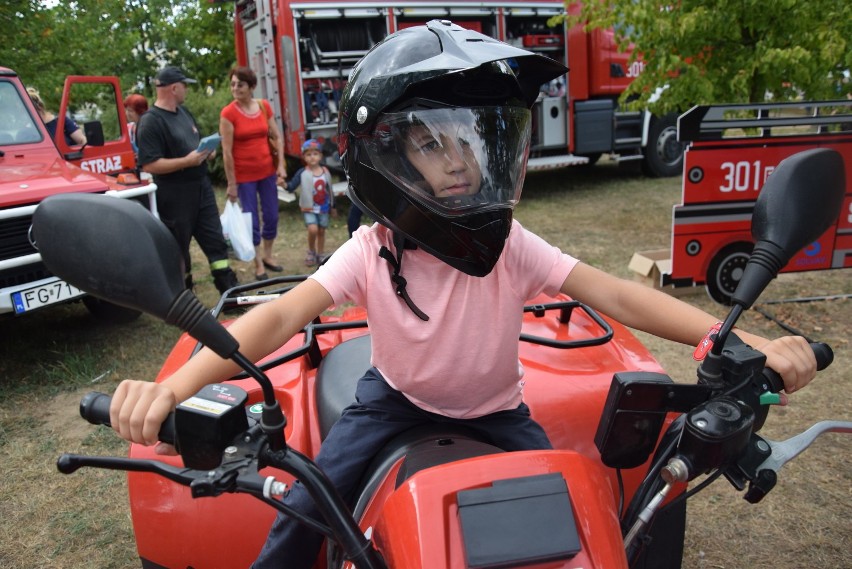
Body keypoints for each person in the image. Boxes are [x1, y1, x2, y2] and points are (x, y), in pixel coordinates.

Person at [108, 22, 819, 569]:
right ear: (385, 156)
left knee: (579, 521)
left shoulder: (508, 242)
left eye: (472, 141)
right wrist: (180, 385)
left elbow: (614, 294)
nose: (458, 160)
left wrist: (733, 339)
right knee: (303, 511)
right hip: (389, 405)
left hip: (498, 413)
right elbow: (281, 316)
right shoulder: (372, 248)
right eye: (430, 143)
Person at [135, 66, 239, 295]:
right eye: (185, 86)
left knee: (214, 238)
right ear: (173, 88)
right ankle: (184, 294)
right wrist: (186, 161)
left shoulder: (183, 112)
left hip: (201, 187)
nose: (187, 90)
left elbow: (195, 142)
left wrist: (206, 152)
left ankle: (229, 289)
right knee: (178, 246)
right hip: (174, 193)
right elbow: (149, 164)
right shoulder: (151, 121)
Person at [220, 66, 287, 280]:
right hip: (244, 177)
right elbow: (227, 152)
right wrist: (232, 184)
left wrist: (281, 165)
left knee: (272, 216)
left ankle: (268, 255)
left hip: (267, 172)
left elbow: (277, 136)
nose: (235, 88)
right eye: (232, 84)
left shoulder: (263, 106)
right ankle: (258, 263)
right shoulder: (228, 114)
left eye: (240, 84)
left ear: (251, 87)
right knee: (252, 222)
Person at [285, 139, 336, 265]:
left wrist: (333, 207)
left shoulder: (326, 172)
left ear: (320, 156)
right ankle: (311, 251)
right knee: (313, 229)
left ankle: (321, 253)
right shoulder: (302, 173)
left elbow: (330, 190)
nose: (312, 157)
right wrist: (284, 184)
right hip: (309, 208)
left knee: (321, 230)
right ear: (304, 157)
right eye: (308, 154)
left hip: (323, 207)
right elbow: (291, 186)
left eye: (315, 154)